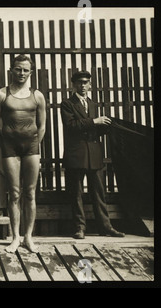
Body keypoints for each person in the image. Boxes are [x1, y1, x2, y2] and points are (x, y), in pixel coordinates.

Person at [0, 54, 46, 253]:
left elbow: (42, 125)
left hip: (31, 147)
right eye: (18, 69)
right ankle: (15, 237)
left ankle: (29, 237)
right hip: (9, 148)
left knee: (30, 192)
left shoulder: (37, 95)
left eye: (25, 70)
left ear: (30, 72)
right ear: (11, 71)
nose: (21, 73)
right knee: (14, 193)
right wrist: (4, 143)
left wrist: (34, 144)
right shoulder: (1, 95)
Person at [61, 70, 125, 240]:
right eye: (79, 83)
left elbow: (95, 130)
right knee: (76, 193)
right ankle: (79, 228)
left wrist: (106, 126)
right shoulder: (67, 104)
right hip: (76, 154)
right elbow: (71, 126)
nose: (82, 86)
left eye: (86, 82)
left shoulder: (94, 105)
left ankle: (106, 227)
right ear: (73, 85)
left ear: (90, 84)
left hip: (94, 154)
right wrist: (95, 121)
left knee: (99, 192)